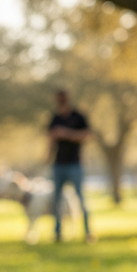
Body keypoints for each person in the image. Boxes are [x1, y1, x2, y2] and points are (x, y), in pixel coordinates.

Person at [48, 90, 95, 243]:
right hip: (58, 165)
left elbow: (87, 135)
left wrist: (66, 134)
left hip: (75, 164)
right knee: (56, 201)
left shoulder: (78, 116)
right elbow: (51, 140)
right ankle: (57, 233)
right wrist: (47, 156)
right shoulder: (55, 118)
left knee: (81, 199)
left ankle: (88, 232)